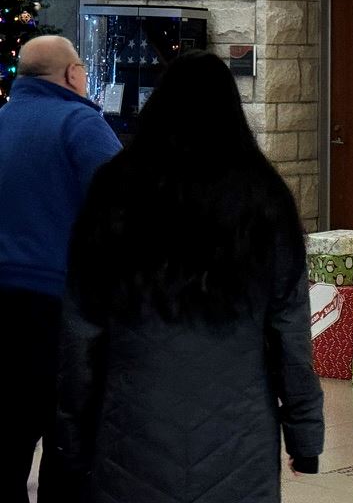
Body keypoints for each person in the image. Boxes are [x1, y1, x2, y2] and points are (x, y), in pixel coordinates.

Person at [55, 50, 324, 502]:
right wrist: (304, 435)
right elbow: (290, 329)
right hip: (239, 435)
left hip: (131, 426)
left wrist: (71, 437)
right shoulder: (264, 196)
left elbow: (81, 329)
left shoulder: (114, 189)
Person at [0, 35, 122, 503]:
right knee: (69, 434)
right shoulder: (81, 124)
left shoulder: (3, 120)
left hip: (3, 304)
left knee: (9, 430)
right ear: (72, 74)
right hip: (60, 306)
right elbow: (122, 207)